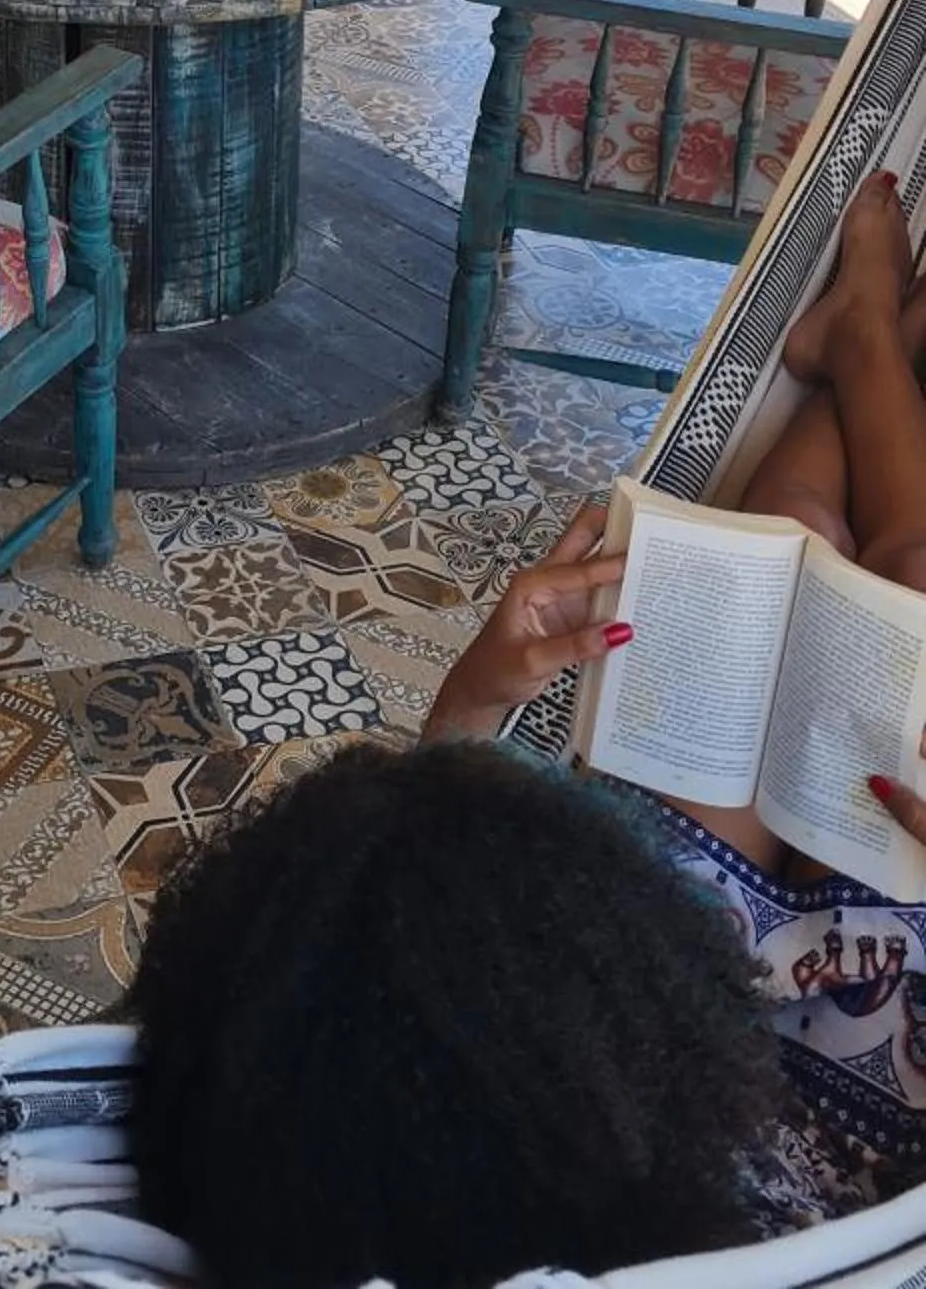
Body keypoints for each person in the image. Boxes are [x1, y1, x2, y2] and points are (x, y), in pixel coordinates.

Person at [129, 172, 926, 1289]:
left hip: (626, 1025)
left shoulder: (362, 1172)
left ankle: (855, 347)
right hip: (847, 1083)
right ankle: (863, 347)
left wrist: (468, 720)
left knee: (788, 556)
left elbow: (394, 977)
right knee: (902, 587)